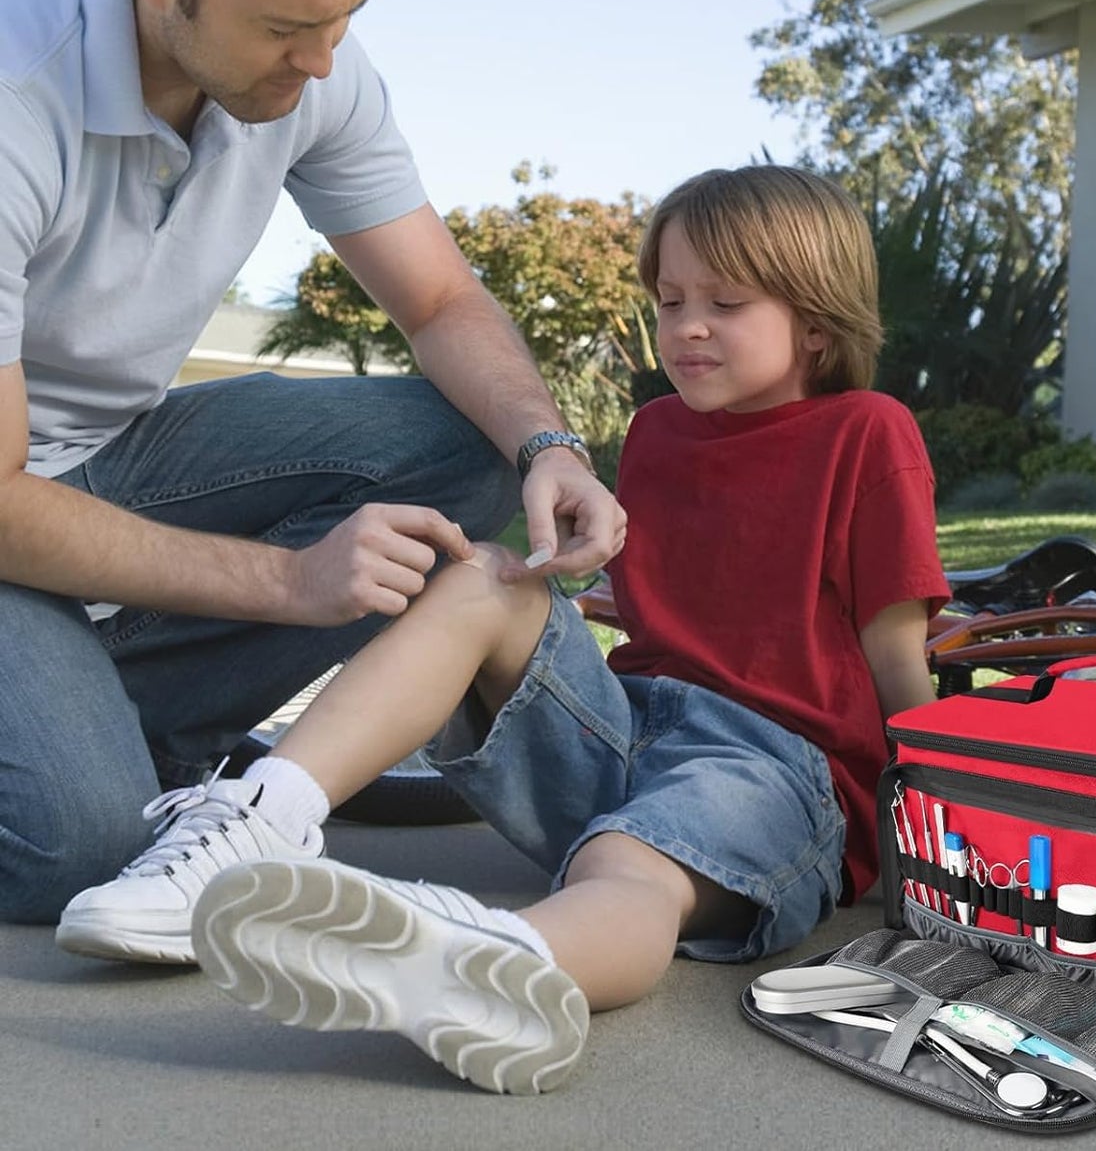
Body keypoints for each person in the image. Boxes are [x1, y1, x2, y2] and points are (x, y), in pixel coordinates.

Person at [58, 164, 951, 1095]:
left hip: (778, 768)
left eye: (725, 302)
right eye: (671, 297)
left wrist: (927, 847)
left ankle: (501, 962)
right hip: (628, 730)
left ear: (814, 320)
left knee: (627, 866)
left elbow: (896, 658)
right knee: (481, 572)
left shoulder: (868, 431)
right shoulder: (653, 434)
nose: (686, 324)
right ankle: (261, 817)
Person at [0, 0, 624, 927]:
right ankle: (86, 767)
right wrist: (288, 580)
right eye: (288, 26)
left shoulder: (313, 65)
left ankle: (132, 743)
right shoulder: (11, 91)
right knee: (69, 844)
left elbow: (441, 304)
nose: (324, 60)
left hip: (116, 458)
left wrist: (551, 445)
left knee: (471, 439)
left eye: (347, 16)